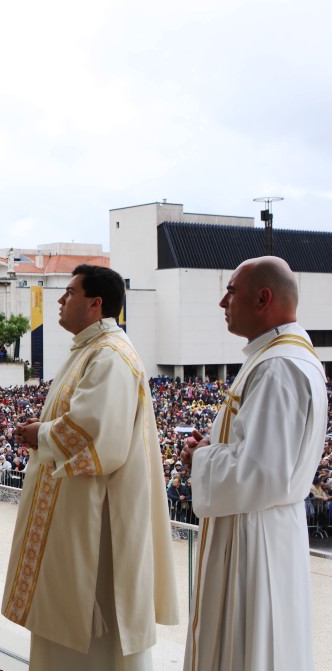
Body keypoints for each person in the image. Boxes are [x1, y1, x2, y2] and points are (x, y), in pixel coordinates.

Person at [2, 264, 178, 670]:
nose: (61, 301)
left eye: (70, 293)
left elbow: (97, 435)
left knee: (93, 627)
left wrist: (40, 435)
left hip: (98, 519)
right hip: (75, 510)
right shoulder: (90, 349)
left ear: (96, 304)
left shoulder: (111, 356)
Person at [182, 256, 328, 671]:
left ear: (263, 298)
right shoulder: (274, 357)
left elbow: (263, 471)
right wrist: (216, 445)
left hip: (255, 536)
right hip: (259, 526)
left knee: (249, 648)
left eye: (231, 291)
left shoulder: (279, 366)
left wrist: (201, 458)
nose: (222, 302)